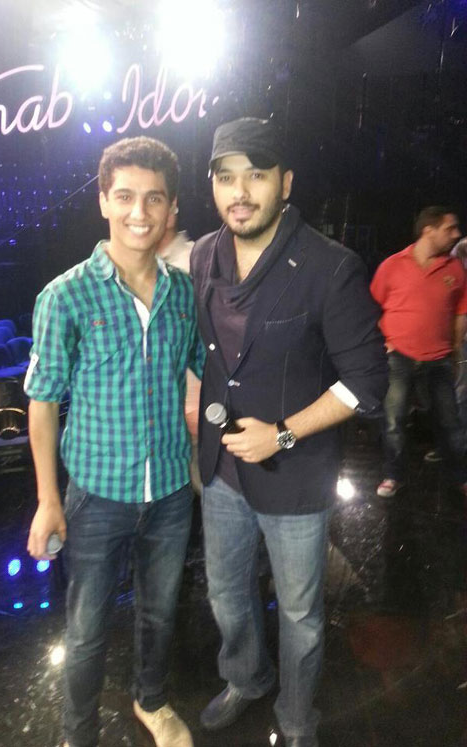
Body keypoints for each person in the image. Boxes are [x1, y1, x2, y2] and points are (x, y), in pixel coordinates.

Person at [190, 117, 387, 747]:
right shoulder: (203, 254)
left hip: (295, 475)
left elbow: (366, 381)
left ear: (286, 183)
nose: (240, 191)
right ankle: (246, 677)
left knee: (300, 613)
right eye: (226, 177)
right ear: (213, 185)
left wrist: (281, 434)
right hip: (222, 470)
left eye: (256, 175)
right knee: (226, 593)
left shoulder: (330, 266)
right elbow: (209, 356)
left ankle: (298, 717)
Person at [25, 137, 203, 747]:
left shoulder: (184, 293)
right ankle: (78, 733)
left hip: (172, 490)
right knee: (86, 628)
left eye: (154, 199)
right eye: (124, 196)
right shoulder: (66, 295)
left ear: (172, 208)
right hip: (97, 494)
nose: (139, 213)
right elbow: (42, 403)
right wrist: (49, 500)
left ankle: (151, 702)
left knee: (160, 613)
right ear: (103, 201)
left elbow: (203, 373)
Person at [371, 206, 467, 498]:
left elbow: (460, 312)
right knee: (393, 421)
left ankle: (460, 476)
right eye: (449, 229)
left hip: (439, 359)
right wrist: (381, 341)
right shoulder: (392, 265)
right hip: (398, 357)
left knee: (450, 423)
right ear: (428, 230)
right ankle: (393, 475)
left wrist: (455, 350)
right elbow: (371, 307)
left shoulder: (454, 269)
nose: (457, 234)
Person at [156, 212, 202, 493]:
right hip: (158, 425)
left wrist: (203, 404)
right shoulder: (131, 268)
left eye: (153, 201)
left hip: (200, 417)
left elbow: (220, 338)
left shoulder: (199, 260)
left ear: (172, 209)